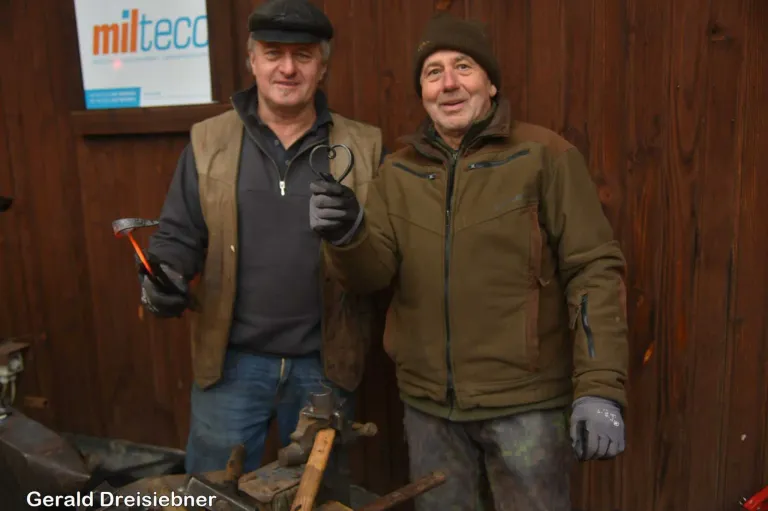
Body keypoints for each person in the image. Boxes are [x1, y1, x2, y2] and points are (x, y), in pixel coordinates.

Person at [309, 12, 629, 511]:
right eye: (433, 72)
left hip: (527, 409)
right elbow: (372, 275)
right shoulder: (398, 172)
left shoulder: (545, 156)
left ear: (491, 84)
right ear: (422, 92)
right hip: (429, 410)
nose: (449, 83)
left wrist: (600, 389)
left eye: (464, 66)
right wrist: (347, 234)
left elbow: (594, 269)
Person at [138, 0, 386, 484]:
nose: (287, 68)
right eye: (273, 53)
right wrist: (163, 272)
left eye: (304, 55)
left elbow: (383, 262)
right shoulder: (208, 141)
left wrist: (354, 232)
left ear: (323, 66)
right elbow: (178, 234)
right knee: (212, 494)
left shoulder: (364, 145)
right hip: (231, 366)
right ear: (252, 61)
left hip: (325, 365)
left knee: (316, 496)